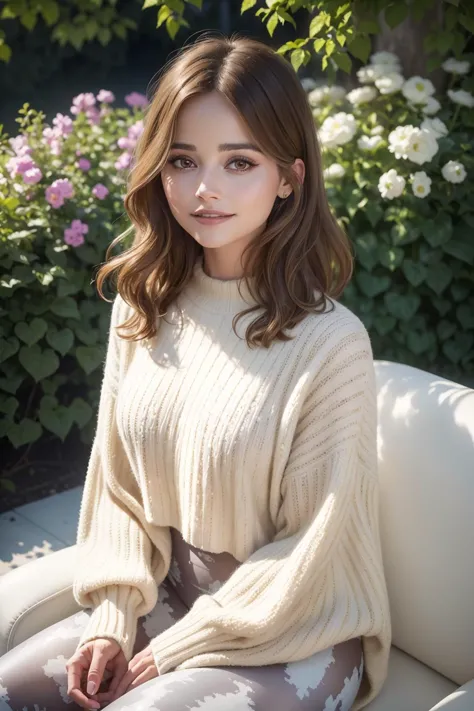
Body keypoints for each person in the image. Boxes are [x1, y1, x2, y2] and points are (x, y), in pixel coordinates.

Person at [0, 33, 391, 711]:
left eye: (239, 162)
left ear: (290, 177)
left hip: (299, 631)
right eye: (183, 160)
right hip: (172, 598)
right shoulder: (142, 302)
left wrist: (177, 648)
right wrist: (114, 617)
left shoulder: (331, 344)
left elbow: (313, 548)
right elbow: (118, 486)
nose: (205, 189)